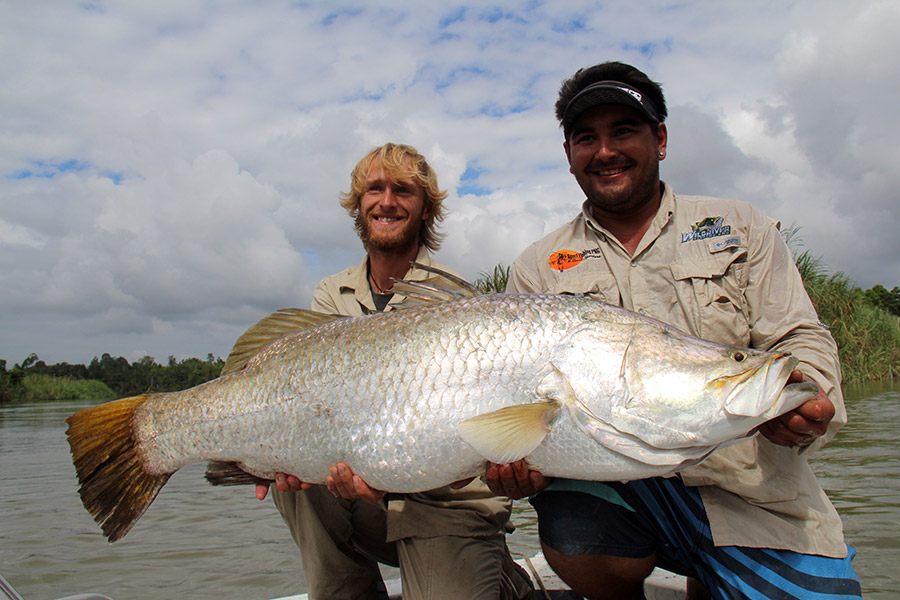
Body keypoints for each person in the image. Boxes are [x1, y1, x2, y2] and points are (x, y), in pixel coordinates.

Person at [484, 62, 863, 600]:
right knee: (571, 522)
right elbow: (517, 409)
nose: (606, 150)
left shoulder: (741, 226)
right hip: (616, 481)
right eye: (586, 137)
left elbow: (800, 335)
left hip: (750, 489)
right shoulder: (538, 266)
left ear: (659, 139)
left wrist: (811, 393)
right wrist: (519, 463)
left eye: (624, 130)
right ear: (569, 156)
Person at [248, 143, 533, 600]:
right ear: (358, 206)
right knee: (293, 468)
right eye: (374, 189)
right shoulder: (331, 294)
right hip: (364, 500)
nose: (387, 201)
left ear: (425, 211)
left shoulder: (463, 306)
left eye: (403, 190)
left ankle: (499, 576)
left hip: (449, 504)